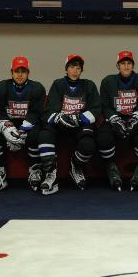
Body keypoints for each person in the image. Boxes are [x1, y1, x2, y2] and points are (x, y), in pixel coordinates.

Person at [39, 54, 101, 195]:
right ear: (66, 69)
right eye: (72, 67)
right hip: (61, 124)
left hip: (80, 124)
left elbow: (96, 108)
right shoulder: (58, 84)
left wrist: (79, 119)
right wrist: (61, 118)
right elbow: (50, 109)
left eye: (78, 68)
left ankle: (76, 167)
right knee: (44, 135)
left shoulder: (89, 85)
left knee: (88, 145)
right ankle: (50, 175)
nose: (75, 70)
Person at [0, 55, 46, 193]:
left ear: (28, 73)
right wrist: (8, 129)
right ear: (11, 72)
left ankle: (35, 169)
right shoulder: (1, 87)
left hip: (28, 124)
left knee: (36, 135)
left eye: (23, 71)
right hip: (8, 122)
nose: (20, 75)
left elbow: (37, 112)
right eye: (17, 71)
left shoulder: (37, 88)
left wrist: (22, 130)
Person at [97, 51, 138, 191]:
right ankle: (111, 168)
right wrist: (114, 119)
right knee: (103, 137)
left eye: (129, 63)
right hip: (115, 118)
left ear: (133, 65)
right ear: (118, 66)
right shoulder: (108, 81)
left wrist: (136, 118)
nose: (126, 66)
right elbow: (104, 105)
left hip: (135, 119)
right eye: (123, 63)